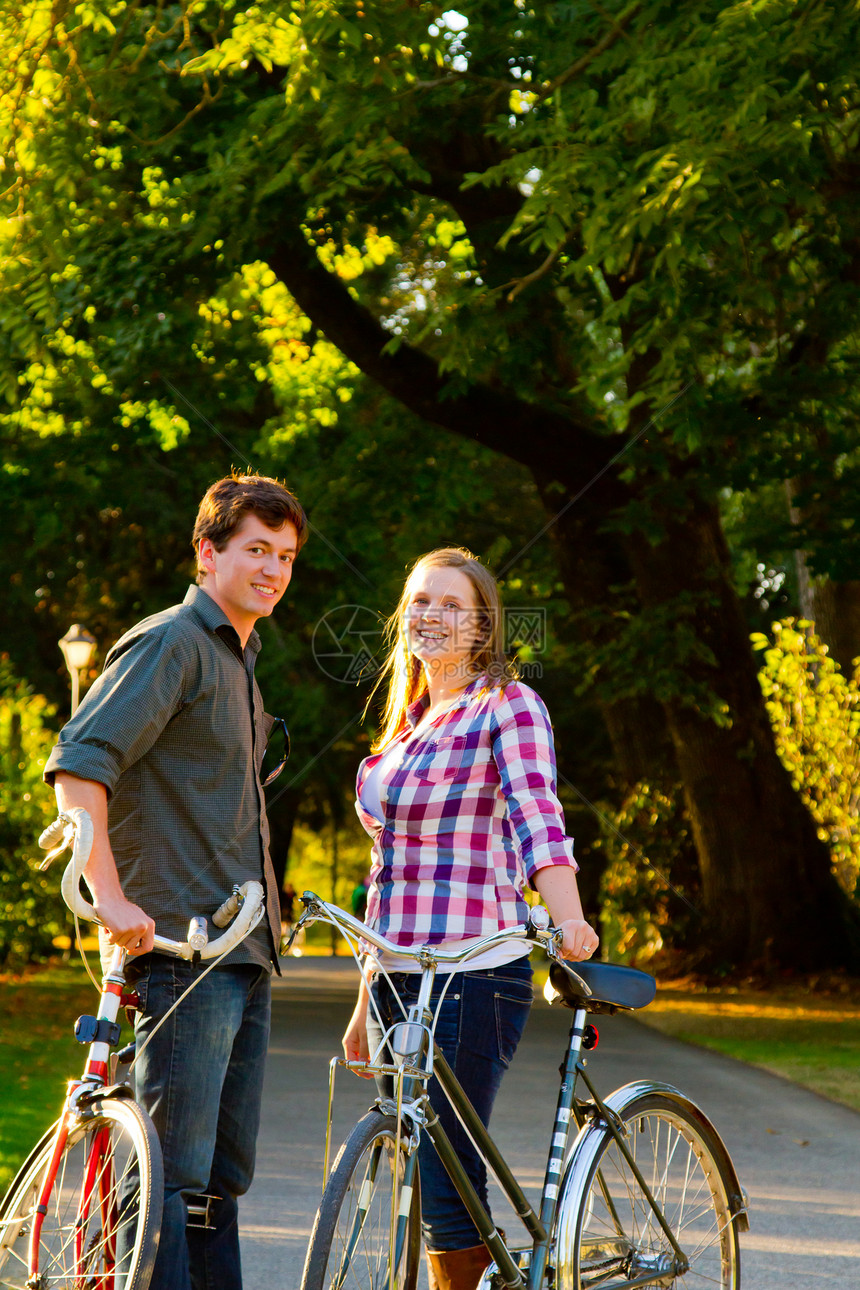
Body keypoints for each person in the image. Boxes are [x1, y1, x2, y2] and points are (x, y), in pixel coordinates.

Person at [44, 470, 307, 1290]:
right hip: (179, 950)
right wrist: (111, 897)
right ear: (208, 552)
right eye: (256, 549)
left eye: (287, 555)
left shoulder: (241, 656)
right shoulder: (173, 643)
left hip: (242, 952)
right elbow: (81, 766)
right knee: (168, 1181)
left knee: (218, 1184)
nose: (272, 569)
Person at [342, 547, 598, 1290]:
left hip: (474, 974)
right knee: (419, 1173)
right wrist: (364, 1000)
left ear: (483, 625)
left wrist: (570, 925)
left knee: (447, 1188)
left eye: (452, 604)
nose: (432, 615)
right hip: (396, 979)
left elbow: (537, 819)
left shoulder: (507, 705)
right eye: (420, 600)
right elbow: (384, 877)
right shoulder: (404, 728)